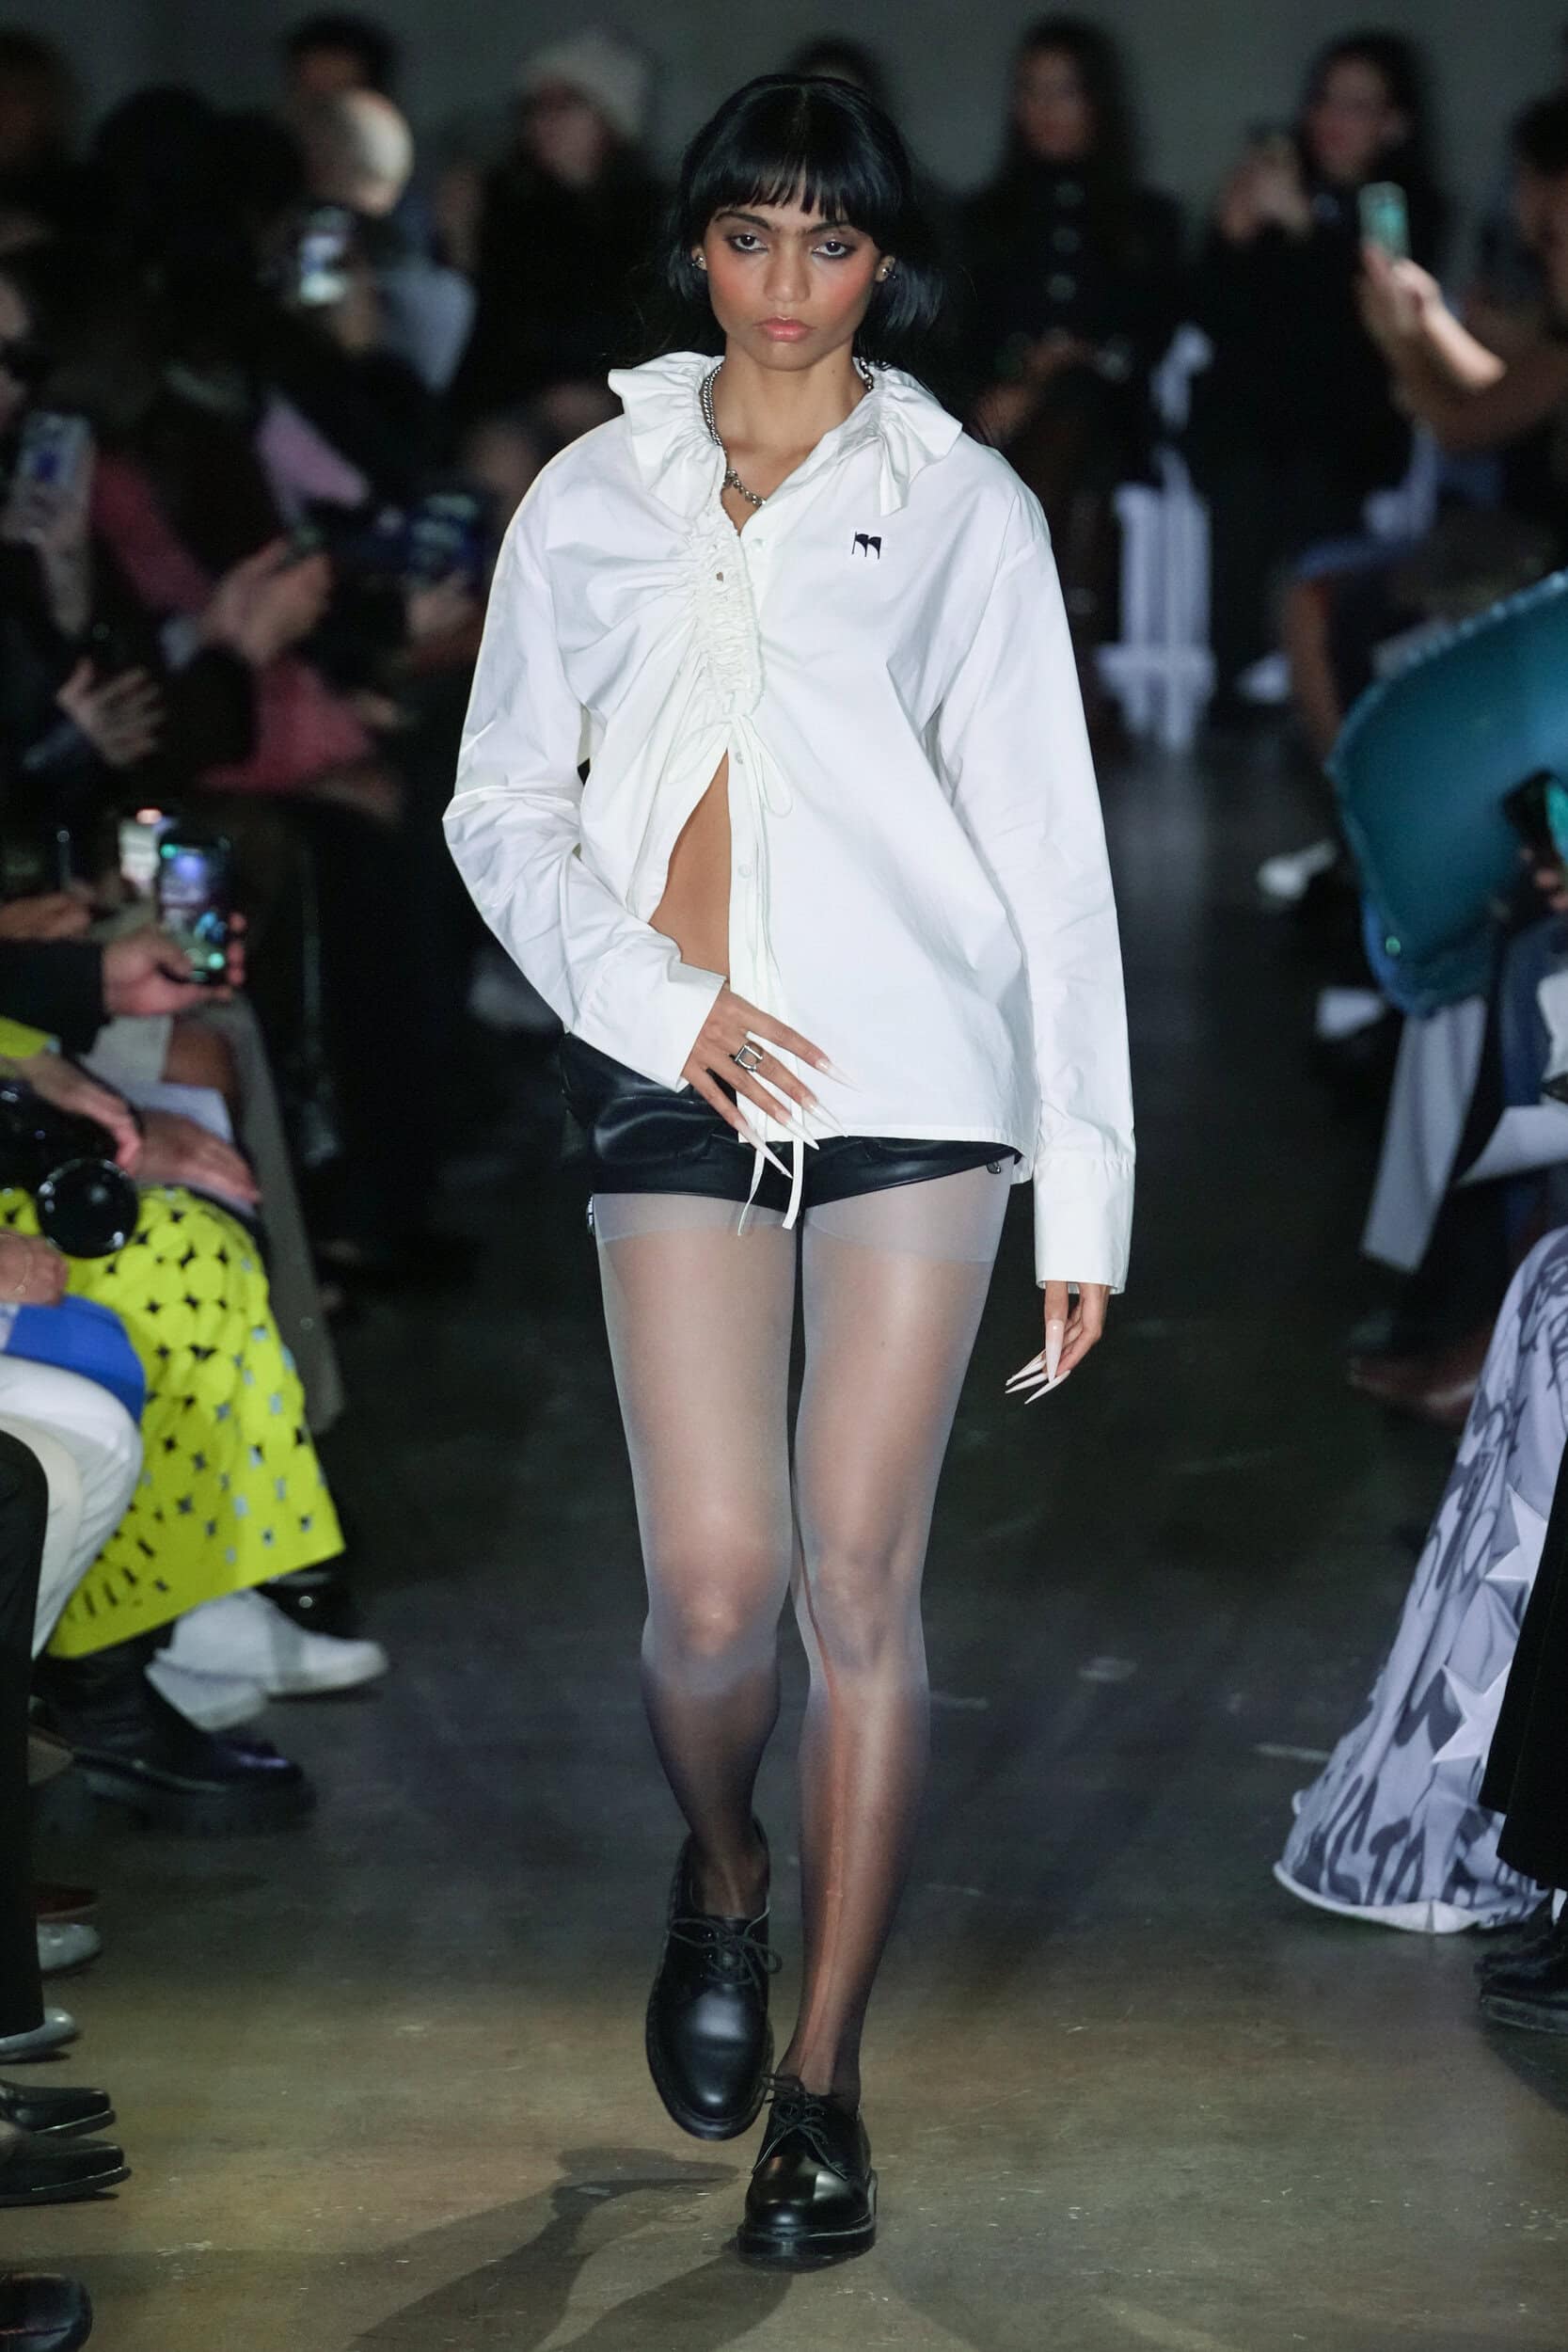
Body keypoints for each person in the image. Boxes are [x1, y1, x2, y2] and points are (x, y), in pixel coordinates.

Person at [446, 72, 1132, 2267]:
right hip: (678, 1073)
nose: (785, 282)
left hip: (915, 1074)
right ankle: (726, 1870)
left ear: (881, 264)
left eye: (829, 242)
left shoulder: (961, 506)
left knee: (857, 1584)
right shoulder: (590, 493)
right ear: (696, 246)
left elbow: (1049, 855)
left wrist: (1085, 1184)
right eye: (749, 234)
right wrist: (654, 1006)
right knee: (712, 1596)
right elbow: (498, 806)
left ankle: (823, 2083)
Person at [1185, 31, 1446, 712]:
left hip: (1347, 425)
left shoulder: (1394, 205)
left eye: (1358, 106)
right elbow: (1212, 317)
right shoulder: (1274, 186)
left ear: (1393, 123)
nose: (1334, 120)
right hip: (1251, 420)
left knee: (1314, 478)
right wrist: (1231, 236)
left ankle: (1314, 681)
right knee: (1242, 470)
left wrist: (1305, 225)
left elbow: (1370, 322)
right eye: (1325, 101)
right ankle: (1236, 680)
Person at [962, 18, 1182, 670]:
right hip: (995, 416)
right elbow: (964, 333)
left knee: (1073, 412)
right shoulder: (983, 220)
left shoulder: (1145, 221)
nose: (1045, 109)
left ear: (1097, 102)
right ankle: (1066, 659)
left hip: (1108, 420)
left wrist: (1063, 365)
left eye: (1064, 91)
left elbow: (1153, 336)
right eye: (1031, 91)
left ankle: (1035, 642)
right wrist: (1016, 378)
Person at [451, 27, 662, 419]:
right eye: (535, 107)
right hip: (516, 405)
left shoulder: (656, 218)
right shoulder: (506, 208)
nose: (544, 122)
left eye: (566, 105)